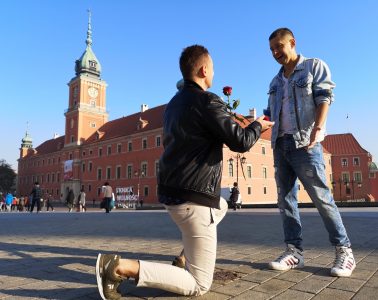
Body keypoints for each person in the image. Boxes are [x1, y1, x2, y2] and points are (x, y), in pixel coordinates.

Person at [95, 44, 274, 300]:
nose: (214, 72)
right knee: (199, 285)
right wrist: (258, 124)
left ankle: (184, 255)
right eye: (212, 67)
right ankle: (118, 267)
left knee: (221, 206)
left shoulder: (173, 105)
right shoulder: (208, 100)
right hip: (195, 200)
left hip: (173, 193)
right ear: (203, 69)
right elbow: (240, 141)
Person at [266, 28, 355, 277]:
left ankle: (344, 251)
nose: (275, 52)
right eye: (271, 49)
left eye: (279, 46)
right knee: (286, 201)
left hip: (305, 143)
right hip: (280, 144)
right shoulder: (274, 82)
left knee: (321, 198)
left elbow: (325, 96)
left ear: (292, 42)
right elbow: (271, 114)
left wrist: (318, 128)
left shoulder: (313, 67)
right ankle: (294, 252)